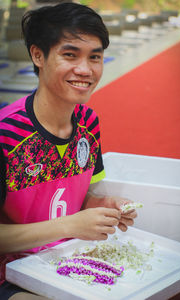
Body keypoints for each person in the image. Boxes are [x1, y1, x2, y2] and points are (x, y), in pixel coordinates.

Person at [0, 3, 137, 299]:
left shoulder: (88, 122)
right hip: (10, 275)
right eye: (70, 55)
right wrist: (70, 225)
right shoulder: (6, 135)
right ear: (38, 55)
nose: (85, 70)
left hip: (66, 260)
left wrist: (102, 204)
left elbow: (72, 197)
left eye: (95, 57)